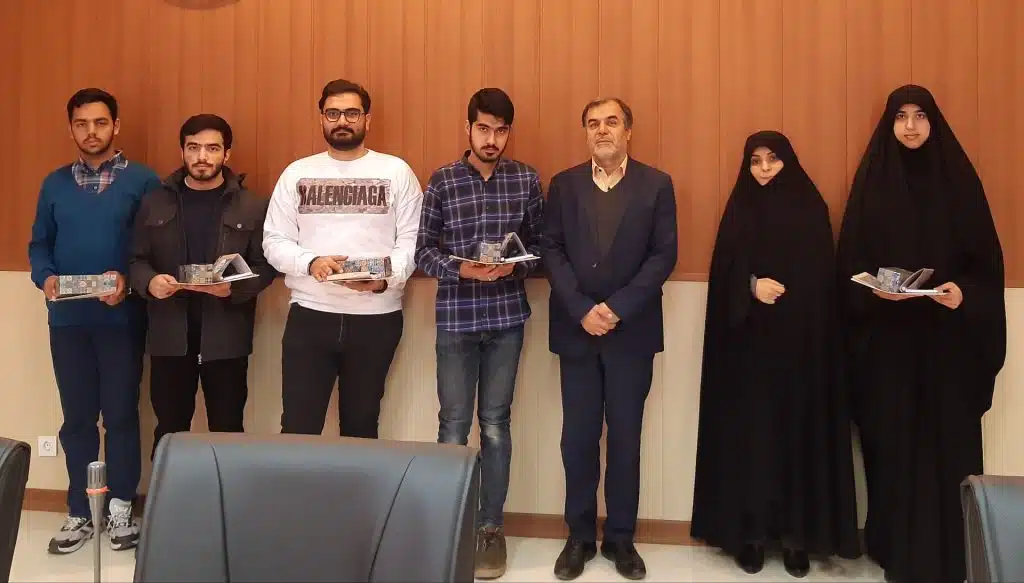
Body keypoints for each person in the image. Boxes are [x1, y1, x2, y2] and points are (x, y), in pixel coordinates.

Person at [836, 84, 1006, 583]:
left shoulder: (959, 183)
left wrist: (963, 293)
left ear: (934, 122)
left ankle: (953, 552)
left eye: (920, 116)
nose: (910, 126)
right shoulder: (873, 185)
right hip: (888, 345)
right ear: (889, 124)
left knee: (946, 445)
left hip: (947, 344)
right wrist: (875, 292)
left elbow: (986, 265)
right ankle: (894, 547)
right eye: (901, 117)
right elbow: (851, 264)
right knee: (892, 446)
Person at [690, 131, 862, 577]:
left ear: (789, 162)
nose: (764, 168)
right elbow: (724, 271)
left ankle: (795, 538)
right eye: (756, 161)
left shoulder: (810, 208)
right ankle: (750, 536)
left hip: (800, 352)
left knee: (796, 440)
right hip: (749, 355)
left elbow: (823, 277)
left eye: (773, 159)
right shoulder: (739, 209)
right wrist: (751, 286)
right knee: (753, 442)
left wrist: (793, 293)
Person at [543, 97, 677, 581]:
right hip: (577, 331)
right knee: (578, 439)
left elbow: (663, 256)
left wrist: (616, 308)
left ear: (628, 131)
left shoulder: (657, 184)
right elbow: (551, 249)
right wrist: (582, 309)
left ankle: (621, 537)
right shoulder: (563, 185)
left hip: (631, 334)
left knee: (624, 439)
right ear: (585, 132)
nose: (602, 130)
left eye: (612, 122)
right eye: (593, 124)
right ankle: (579, 536)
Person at [415, 88, 544, 579]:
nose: (492, 139)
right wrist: (460, 269)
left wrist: (516, 266)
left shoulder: (526, 179)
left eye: (501, 130)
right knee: (452, 425)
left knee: (494, 426)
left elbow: (541, 246)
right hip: (456, 320)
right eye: (484, 129)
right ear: (467, 128)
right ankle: (448, 525)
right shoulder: (443, 180)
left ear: (509, 132)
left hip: (506, 320)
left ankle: (490, 529)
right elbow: (422, 251)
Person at [28, 88, 161, 554]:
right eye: (82, 124)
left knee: (121, 415)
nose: (91, 132)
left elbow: (154, 248)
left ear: (115, 126)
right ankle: (81, 511)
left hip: (122, 319)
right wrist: (45, 278)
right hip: (68, 320)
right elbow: (39, 244)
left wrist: (127, 281)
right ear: (71, 129)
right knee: (78, 419)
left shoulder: (143, 181)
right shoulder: (54, 184)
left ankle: (121, 506)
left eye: (100, 122)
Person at [263, 78, 423, 438]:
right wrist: (311, 262)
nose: (342, 121)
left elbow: (413, 241)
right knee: (299, 427)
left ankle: (357, 482)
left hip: (376, 318)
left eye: (352, 113)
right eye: (333, 113)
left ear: (367, 119)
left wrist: (382, 281)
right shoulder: (297, 173)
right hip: (310, 315)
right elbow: (274, 240)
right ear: (321, 118)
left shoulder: (396, 171)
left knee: (361, 427)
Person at [129, 114, 276, 457]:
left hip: (225, 336)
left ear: (227, 153)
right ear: (182, 151)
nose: (202, 157)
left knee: (228, 429)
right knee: (169, 431)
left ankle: (227, 493)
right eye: (193, 147)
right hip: (170, 335)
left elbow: (266, 267)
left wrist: (233, 289)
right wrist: (150, 282)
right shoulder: (155, 202)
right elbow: (135, 260)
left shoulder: (252, 205)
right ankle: (170, 493)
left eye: (212, 148)